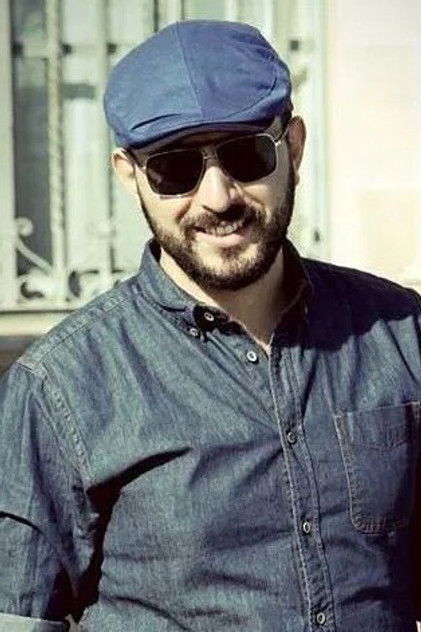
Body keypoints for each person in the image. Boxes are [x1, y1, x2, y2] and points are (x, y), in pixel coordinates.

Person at [0, 19, 420, 632]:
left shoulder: (401, 333)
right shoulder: (60, 387)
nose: (218, 197)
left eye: (247, 155)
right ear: (129, 174)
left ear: (294, 148)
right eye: (175, 169)